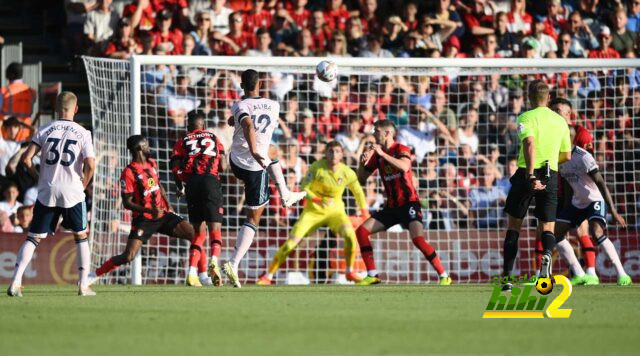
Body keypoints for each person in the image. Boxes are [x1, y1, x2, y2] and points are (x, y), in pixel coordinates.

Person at [7, 92, 96, 297]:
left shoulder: (44, 129)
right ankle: (83, 286)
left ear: (57, 109)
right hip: (72, 190)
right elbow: (90, 165)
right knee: (81, 236)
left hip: (47, 189)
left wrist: (39, 177)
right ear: (76, 109)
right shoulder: (83, 133)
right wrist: (83, 185)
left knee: (33, 238)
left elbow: (26, 160)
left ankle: (16, 281)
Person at [223, 69, 306, 288]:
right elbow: (251, 125)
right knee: (253, 219)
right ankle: (233, 263)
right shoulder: (274, 105)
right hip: (253, 166)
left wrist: (235, 120)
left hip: (235, 161)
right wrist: (254, 151)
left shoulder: (239, 105)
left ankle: (286, 194)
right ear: (260, 84)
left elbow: (245, 119)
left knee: (274, 153)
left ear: (242, 85)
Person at [257, 141, 370, 285]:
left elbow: (358, 192)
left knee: (349, 236)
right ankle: (268, 276)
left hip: (336, 213)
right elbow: (305, 187)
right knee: (290, 244)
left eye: (337, 151)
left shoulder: (347, 172)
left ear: (341, 154)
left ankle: (349, 271)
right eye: (331, 151)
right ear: (325, 153)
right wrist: (318, 199)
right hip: (312, 213)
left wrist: (365, 212)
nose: (334, 154)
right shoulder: (317, 168)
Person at [88, 135, 194, 285]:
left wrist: (167, 203)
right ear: (139, 149)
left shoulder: (152, 163)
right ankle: (93, 276)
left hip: (163, 214)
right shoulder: (129, 172)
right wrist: (151, 211)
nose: (149, 148)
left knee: (194, 234)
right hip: (144, 219)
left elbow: (158, 184)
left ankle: (199, 274)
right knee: (128, 256)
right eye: (146, 145)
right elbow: (127, 203)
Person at [355, 120, 451, 286]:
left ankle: (444, 276)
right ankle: (372, 274)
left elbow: (404, 167)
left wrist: (383, 155)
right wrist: (361, 163)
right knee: (361, 232)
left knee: (418, 240)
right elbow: (361, 179)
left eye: (376, 130)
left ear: (387, 133)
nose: (374, 133)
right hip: (391, 207)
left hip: (409, 204)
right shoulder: (377, 155)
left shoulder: (401, 148)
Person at [501, 80, 572, 291]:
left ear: (529, 97)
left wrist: (531, 175)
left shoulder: (526, 117)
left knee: (514, 226)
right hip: (550, 174)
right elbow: (567, 155)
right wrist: (549, 165)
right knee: (547, 226)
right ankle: (546, 265)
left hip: (527, 174)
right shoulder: (560, 122)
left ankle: (507, 279)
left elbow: (529, 143)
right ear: (548, 98)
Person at [554, 125, 631, 286]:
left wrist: (614, 211)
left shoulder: (583, 157)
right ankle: (580, 272)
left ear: (569, 138)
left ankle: (622, 273)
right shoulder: (559, 157)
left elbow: (600, 183)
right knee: (556, 233)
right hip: (578, 202)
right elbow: (568, 183)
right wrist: (567, 207)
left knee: (596, 232)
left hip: (595, 199)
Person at [171, 113, 226, 287]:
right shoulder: (214, 138)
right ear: (203, 126)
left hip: (192, 184)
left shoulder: (183, 140)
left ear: (189, 125)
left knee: (199, 232)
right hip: (210, 181)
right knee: (215, 229)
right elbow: (223, 166)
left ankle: (192, 273)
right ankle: (214, 261)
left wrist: (180, 187)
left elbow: (175, 168)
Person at [0, 63, 37, 142]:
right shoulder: (32, 92)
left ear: (9, 74)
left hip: (7, 137)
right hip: (26, 135)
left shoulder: (3, 91)